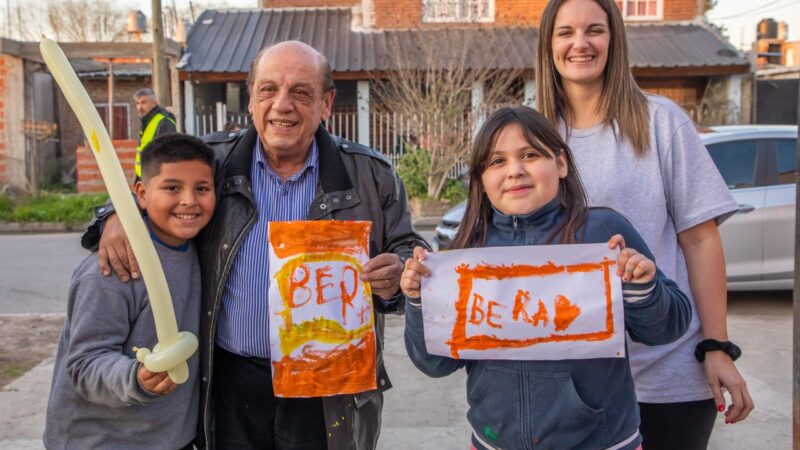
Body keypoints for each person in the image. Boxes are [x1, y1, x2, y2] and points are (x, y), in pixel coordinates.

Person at [82, 41, 427, 450]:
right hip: (230, 382)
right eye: (268, 90)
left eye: (301, 92)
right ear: (251, 100)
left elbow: (413, 256)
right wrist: (115, 216)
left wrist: (396, 276)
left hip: (328, 388)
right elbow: (151, 190)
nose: (282, 105)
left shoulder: (372, 175)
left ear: (326, 102)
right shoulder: (212, 162)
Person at [401, 106, 692, 450]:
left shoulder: (605, 234)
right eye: (497, 162)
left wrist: (642, 287)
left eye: (530, 154)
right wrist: (420, 301)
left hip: (601, 443)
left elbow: (668, 328)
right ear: (480, 178)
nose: (515, 171)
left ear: (562, 163)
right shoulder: (464, 252)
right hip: (493, 442)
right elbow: (435, 364)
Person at [535, 0, 755, 448]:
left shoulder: (661, 122)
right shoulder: (533, 135)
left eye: (594, 30)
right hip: (570, 379)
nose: (580, 43)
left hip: (665, 373)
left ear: (614, 38)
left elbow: (700, 240)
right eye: (565, 32)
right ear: (548, 44)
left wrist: (717, 346)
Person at [44, 134, 216, 450]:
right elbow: (84, 363)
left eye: (202, 189)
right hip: (102, 441)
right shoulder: (112, 269)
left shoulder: (202, 249)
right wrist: (135, 377)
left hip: (170, 438)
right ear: (141, 193)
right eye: (172, 188)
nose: (189, 200)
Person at [134, 87, 177, 180]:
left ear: (154, 102)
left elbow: (168, 153)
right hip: (144, 176)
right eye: (137, 103)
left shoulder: (164, 121)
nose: (140, 107)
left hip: (155, 178)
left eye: (144, 102)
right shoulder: (146, 122)